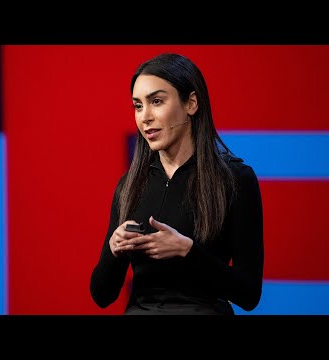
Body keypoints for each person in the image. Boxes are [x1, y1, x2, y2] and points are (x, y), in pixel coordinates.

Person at [89, 53, 264, 315]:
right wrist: (115, 250)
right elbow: (102, 295)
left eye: (156, 101)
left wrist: (188, 251)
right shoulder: (129, 185)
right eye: (138, 106)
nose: (144, 117)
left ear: (191, 103)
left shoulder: (235, 179)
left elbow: (249, 294)